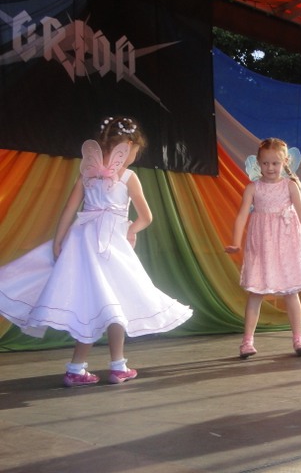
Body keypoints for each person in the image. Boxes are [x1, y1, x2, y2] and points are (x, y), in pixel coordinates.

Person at [0, 117, 193, 386]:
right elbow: (147, 217)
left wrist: (58, 240)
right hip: (111, 248)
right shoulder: (129, 177)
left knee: (97, 303)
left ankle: (95, 366)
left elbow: (69, 210)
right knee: (114, 302)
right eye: (135, 151)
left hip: (83, 244)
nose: (133, 157)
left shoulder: (87, 175)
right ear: (128, 146)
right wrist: (131, 230)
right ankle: (103, 367)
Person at [225, 138, 301, 359]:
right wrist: (235, 242)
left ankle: (298, 339)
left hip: (287, 243)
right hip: (262, 244)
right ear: (258, 163)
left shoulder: (290, 186)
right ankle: (247, 341)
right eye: (265, 163)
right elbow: (241, 215)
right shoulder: (253, 188)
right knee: (256, 292)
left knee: (291, 292)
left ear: (285, 162)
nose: (270, 168)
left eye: (275, 163)